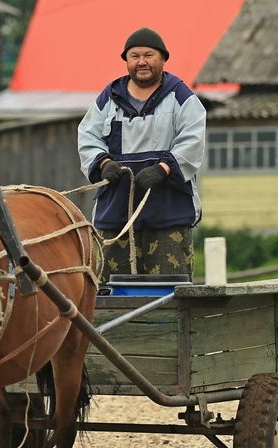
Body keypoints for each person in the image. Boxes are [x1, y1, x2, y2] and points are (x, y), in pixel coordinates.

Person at [78, 26, 206, 282]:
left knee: (170, 290)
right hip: (117, 214)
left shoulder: (180, 96)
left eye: (149, 55)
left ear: (163, 59)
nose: (142, 62)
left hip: (168, 213)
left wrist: (164, 169)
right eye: (134, 56)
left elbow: (193, 138)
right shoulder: (108, 98)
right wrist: (103, 162)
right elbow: (88, 136)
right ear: (126, 61)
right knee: (111, 290)